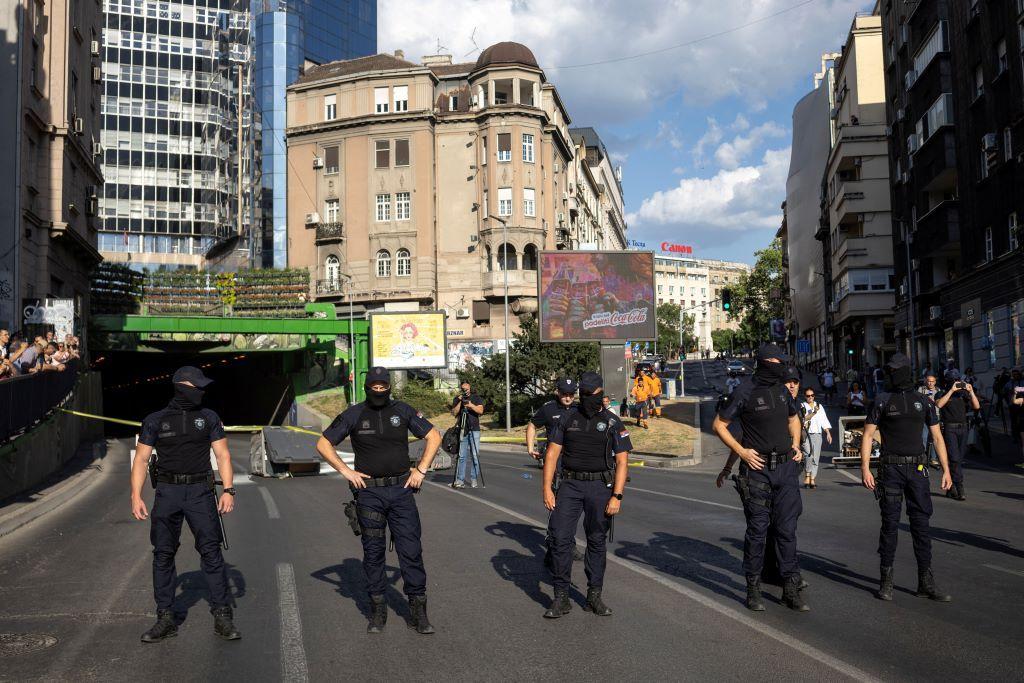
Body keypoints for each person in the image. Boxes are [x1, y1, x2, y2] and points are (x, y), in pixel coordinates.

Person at [316, 366, 442, 634]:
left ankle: (418, 612)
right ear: (367, 387)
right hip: (369, 494)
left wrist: (421, 470)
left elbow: (433, 436)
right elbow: (323, 444)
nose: (379, 391)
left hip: (401, 491)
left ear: (388, 387)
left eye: (383, 387)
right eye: (374, 387)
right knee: (373, 555)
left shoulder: (403, 410)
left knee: (411, 552)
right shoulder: (353, 414)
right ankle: (377, 611)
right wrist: (346, 471)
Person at [131, 366, 240, 643]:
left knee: (211, 553)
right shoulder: (155, 420)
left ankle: (223, 616)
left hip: (200, 493)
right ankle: (165, 617)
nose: (202, 391)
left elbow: (223, 455)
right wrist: (136, 495)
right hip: (167, 492)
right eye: (198, 386)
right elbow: (142, 460)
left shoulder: (209, 417)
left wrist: (228, 490)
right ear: (182, 386)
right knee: (163, 555)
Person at [712, 344, 808, 613]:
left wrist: (796, 445)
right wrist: (742, 452)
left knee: (787, 530)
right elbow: (719, 425)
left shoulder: (782, 389)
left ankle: (790, 587)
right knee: (758, 531)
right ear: (767, 362)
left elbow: (794, 420)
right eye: (780, 361)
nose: (783, 366)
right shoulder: (744, 391)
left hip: (786, 468)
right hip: (757, 471)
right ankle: (753, 588)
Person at [861, 354, 952, 603]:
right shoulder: (882, 400)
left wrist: (946, 469)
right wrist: (865, 468)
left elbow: (937, 437)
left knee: (921, 526)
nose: (890, 375)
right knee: (889, 526)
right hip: (891, 470)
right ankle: (886, 581)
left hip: (918, 471)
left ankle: (926, 581)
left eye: (893, 371)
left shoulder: (924, 401)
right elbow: (868, 435)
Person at [542, 372, 631, 619]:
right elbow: (552, 454)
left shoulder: (613, 423)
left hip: (600, 488)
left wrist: (617, 496)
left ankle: (594, 596)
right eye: (583, 394)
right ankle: (561, 597)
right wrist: (547, 488)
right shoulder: (568, 418)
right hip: (570, 485)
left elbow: (623, 461)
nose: (586, 399)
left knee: (596, 541)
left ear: (601, 393)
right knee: (560, 538)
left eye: (590, 395)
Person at [934, 377, 980, 501]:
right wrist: (951, 391)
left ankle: (951, 487)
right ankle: (959, 487)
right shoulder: (942, 393)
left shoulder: (963, 394)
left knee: (958, 459)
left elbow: (976, 406)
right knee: (954, 458)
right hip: (950, 428)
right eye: (954, 382)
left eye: (959, 382)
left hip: (963, 428)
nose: (957, 385)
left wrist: (970, 392)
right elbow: (939, 404)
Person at [526, 378, 577, 468]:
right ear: (558, 392)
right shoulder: (548, 408)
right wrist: (530, 449)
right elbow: (532, 426)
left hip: (576, 456)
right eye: (564, 394)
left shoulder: (579, 409)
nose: (568, 398)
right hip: (555, 456)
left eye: (571, 395)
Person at [450, 380, 484, 488]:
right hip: (462, 429)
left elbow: (480, 411)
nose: (465, 391)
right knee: (461, 456)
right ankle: (460, 479)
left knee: (475, 455)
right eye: (463, 389)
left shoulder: (476, 397)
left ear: (470, 388)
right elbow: (454, 413)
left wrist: (470, 405)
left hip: (474, 429)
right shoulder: (457, 398)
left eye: (467, 389)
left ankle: (474, 478)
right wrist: (460, 401)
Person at [800, 387, 832, 489]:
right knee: (808, 455)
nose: (810, 397)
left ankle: (812, 479)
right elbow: (803, 418)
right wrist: (813, 412)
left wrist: (828, 433)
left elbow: (823, 420)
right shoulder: (802, 406)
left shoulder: (819, 406)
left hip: (817, 434)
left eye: (812, 395)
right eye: (808, 396)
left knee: (816, 458)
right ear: (805, 396)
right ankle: (807, 475)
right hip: (806, 434)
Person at [919, 374, 940, 467]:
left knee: (935, 438)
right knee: (924, 436)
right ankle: (922, 457)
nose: (930, 383)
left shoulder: (938, 390)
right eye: (929, 381)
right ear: (926, 381)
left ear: (935, 382)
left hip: (936, 416)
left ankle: (933, 458)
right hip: (925, 415)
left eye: (932, 381)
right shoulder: (921, 389)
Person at [1007, 369, 1024, 469]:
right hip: (1016, 411)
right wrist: (1013, 392)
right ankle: (1015, 435)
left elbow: (1015, 400)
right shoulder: (1010, 383)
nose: (1016, 376)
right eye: (1014, 374)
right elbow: (1013, 401)